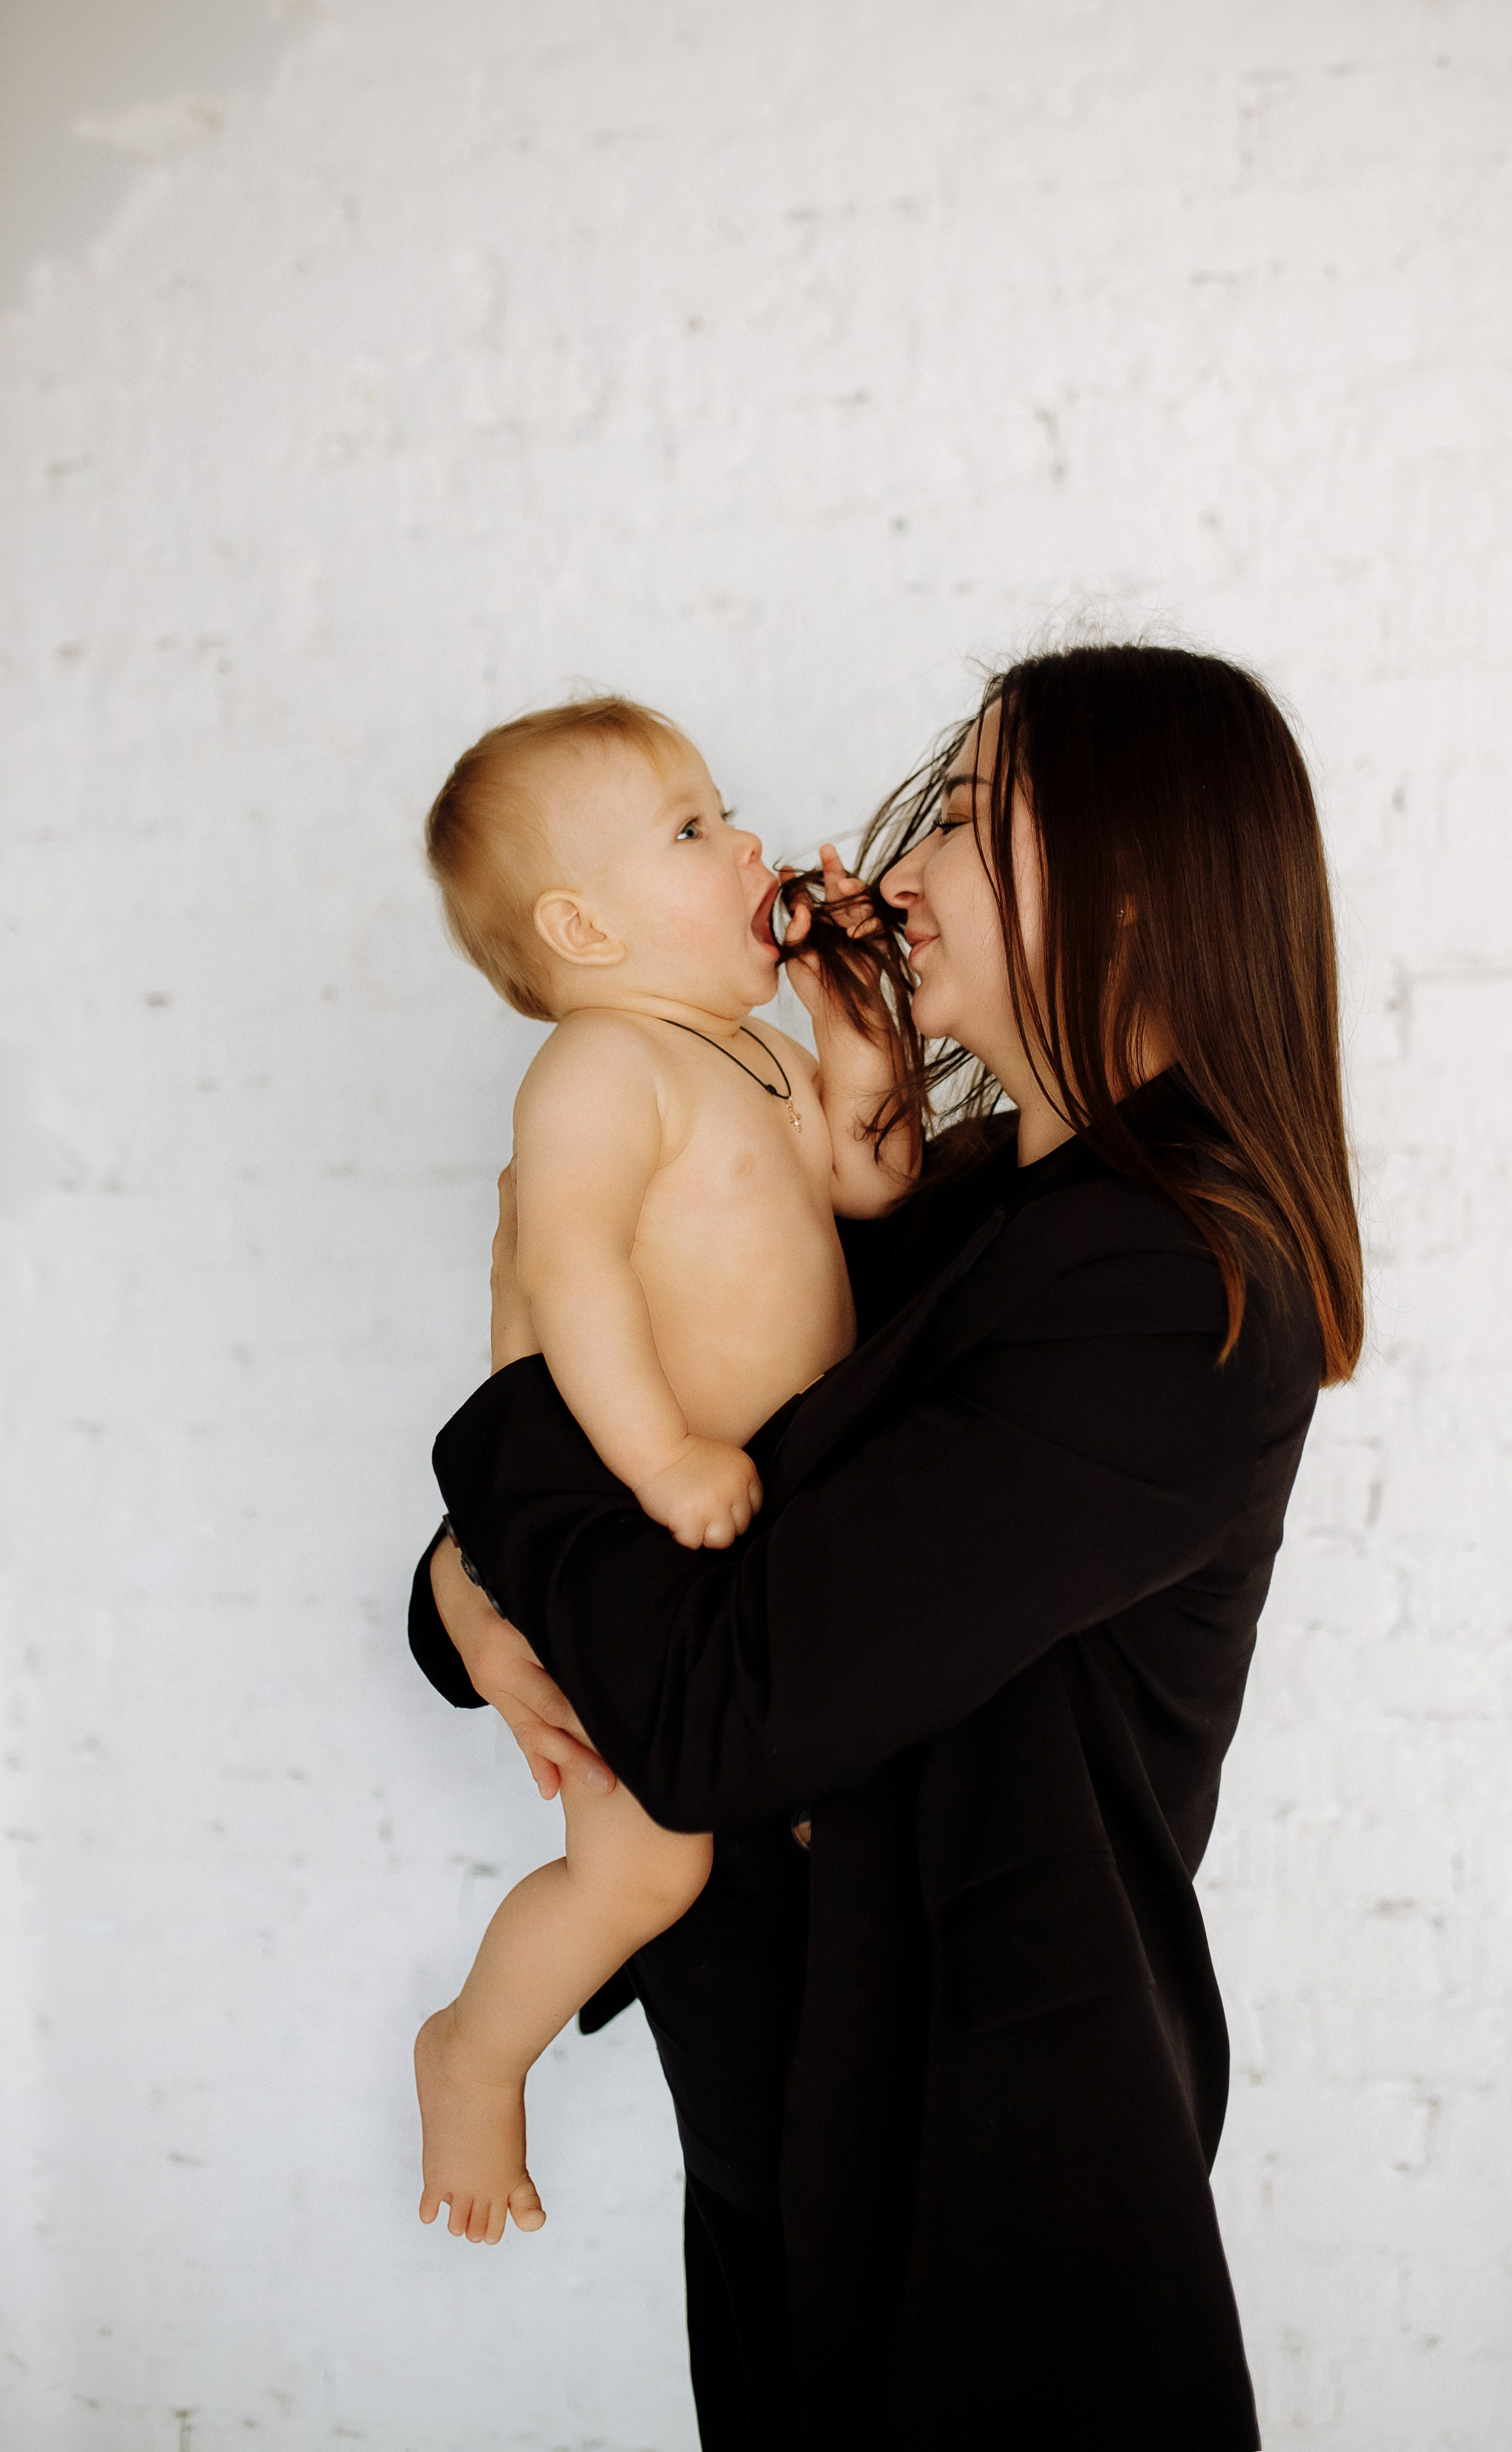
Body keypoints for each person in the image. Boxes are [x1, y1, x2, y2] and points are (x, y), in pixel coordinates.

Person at [408, 642, 1365, 2451]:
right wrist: (463, 1581)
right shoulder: (979, 1207)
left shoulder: (1175, 1290)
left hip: (985, 2185)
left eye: (978, 820)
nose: (903, 861)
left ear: (1138, 885)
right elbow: (674, 1481)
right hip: (798, 2125)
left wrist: (515, 1426)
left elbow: (718, 1700)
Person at [411, 697, 912, 2246]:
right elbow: (566, 1281)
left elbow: (876, 1175)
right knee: (643, 1871)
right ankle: (475, 2059)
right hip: (651, 1533)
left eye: (724, 810)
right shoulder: (594, 1072)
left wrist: (850, 1021)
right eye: (691, 830)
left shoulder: (752, 1054)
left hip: (760, 1540)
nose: (745, 841)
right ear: (579, 925)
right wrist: (663, 1454)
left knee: (799, 1805)